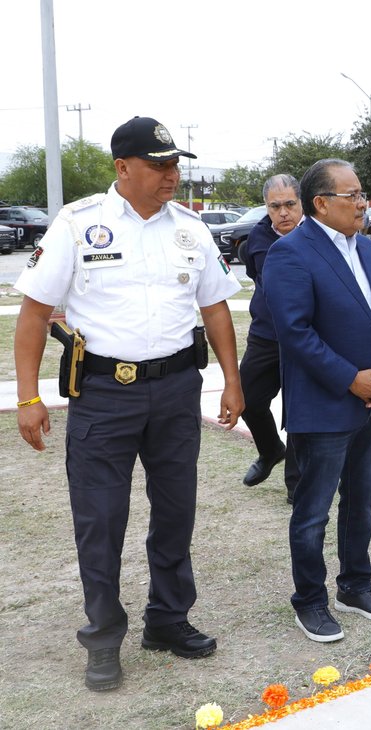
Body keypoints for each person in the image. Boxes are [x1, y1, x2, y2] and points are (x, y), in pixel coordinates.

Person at [12, 116, 244, 691]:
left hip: (174, 392)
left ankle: (167, 620)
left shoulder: (191, 229)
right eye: (159, 165)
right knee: (101, 519)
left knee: (175, 511)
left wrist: (233, 382)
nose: (172, 175)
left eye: (175, 165)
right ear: (123, 168)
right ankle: (103, 636)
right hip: (103, 395)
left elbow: (215, 308)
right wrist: (27, 396)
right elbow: (35, 313)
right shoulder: (79, 224)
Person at [263, 159, 371, 644]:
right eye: (353, 196)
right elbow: (295, 334)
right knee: (313, 512)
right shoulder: (290, 253)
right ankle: (310, 601)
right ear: (321, 203)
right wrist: (351, 380)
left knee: (360, 504)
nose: (363, 203)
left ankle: (355, 586)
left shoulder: (367, 249)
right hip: (325, 405)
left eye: (364, 193)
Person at [237, 174, 303, 503]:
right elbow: (262, 275)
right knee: (246, 398)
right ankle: (270, 450)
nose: (283, 213)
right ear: (266, 208)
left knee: (299, 411)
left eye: (290, 204)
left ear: (302, 204)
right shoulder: (258, 239)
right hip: (266, 335)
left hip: (305, 338)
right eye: (275, 206)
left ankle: (298, 485)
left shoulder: (318, 235)